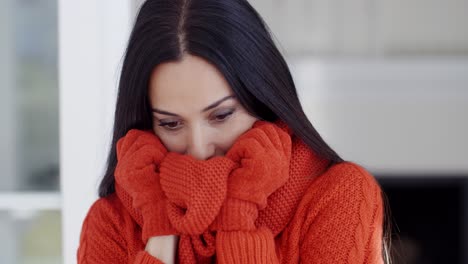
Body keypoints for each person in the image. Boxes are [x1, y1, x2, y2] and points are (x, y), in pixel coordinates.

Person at [77, 0, 392, 263]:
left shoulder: (337, 196)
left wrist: (238, 213)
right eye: (171, 124)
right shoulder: (111, 223)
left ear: (262, 97)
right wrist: (159, 229)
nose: (199, 150)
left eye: (222, 115)